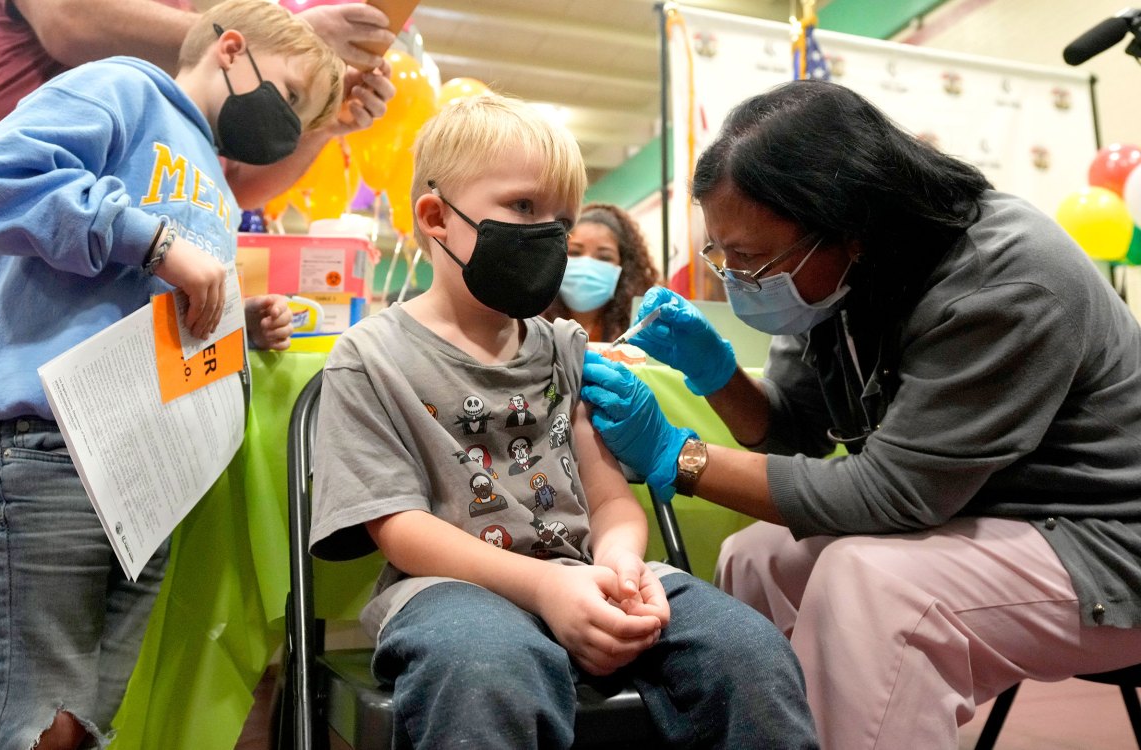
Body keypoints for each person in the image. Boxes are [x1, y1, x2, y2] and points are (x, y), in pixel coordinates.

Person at [580, 78, 1141, 749]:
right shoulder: (834, 280)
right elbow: (796, 436)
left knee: (873, 586)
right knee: (754, 556)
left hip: (1108, 546)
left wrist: (682, 457)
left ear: (849, 224)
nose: (735, 277)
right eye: (722, 255)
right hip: (989, 518)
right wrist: (717, 375)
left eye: (751, 258)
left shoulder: (1005, 278)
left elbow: (894, 492)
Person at [0, 0, 395, 743]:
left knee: (83, 722)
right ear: (231, 49)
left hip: (141, 471)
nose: (282, 123)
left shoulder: (211, 175)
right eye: (285, 96)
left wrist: (232, 324)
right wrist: (149, 240)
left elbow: (154, 304)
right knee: (29, 721)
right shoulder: (123, 87)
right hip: (50, 443)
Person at [308, 93, 819, 749]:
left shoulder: (565, 352)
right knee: (485, 671)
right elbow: (401, 529)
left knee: (749, 650)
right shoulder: (370, 356)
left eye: (562, 220)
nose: (550, 234)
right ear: (436, 217)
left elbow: (610, 501)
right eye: (524, 207)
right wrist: (549, 586)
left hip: (587, 571)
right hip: (449, 591)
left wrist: (620, 565)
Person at [543, 203, 661, 343]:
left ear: (624, 267)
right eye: (575, 252)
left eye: (604, 257)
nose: (586, 266)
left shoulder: (642, 329)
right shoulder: (528, 322)